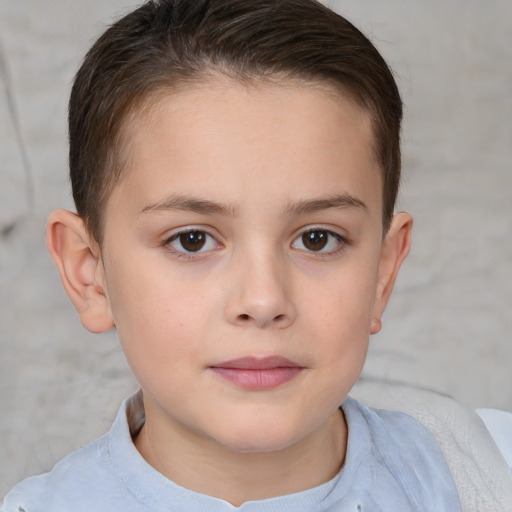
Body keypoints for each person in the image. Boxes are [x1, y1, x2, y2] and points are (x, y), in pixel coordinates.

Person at [2, 0, 511, 510]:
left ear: (382, 270)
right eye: (192, 240)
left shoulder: (487, 470)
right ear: (90, 274)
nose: (264, 300)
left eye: (317, 238)